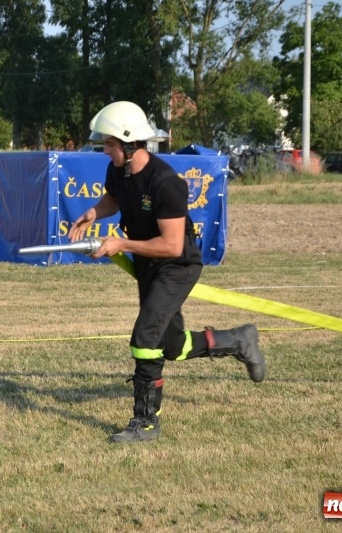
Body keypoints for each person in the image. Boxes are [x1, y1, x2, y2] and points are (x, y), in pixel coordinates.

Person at [68, 101, 266, 444]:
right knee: (170, 345)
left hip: (176, 266)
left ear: (130, 144)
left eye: (110, 144)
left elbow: (172, 246)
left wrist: (122, 244)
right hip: (148, 264)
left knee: (145, 338)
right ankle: (238, 340)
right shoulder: (119, 170)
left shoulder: (166, 183)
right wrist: (92, 213)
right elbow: (115, 200)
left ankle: (145, 422)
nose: (105, 150)